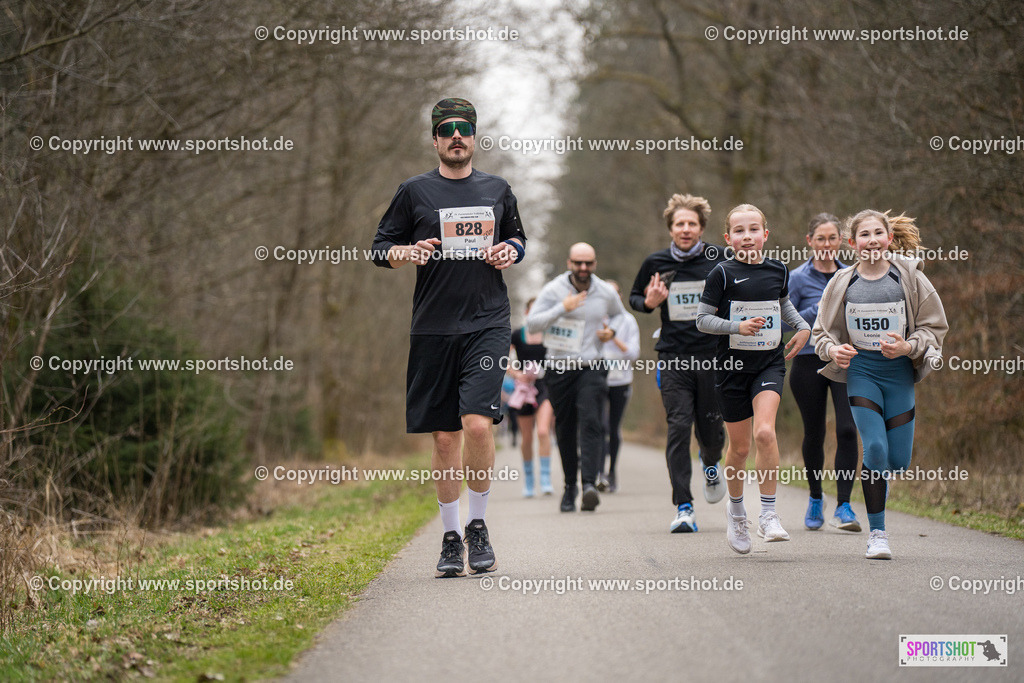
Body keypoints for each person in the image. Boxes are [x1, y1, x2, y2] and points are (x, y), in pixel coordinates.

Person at [371, 97, 526, 578]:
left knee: (477, 425)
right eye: (447, 129)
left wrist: (510, 251)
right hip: (434, 327)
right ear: (435, 139)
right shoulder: (414, 192)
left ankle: (478, 528)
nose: (456, 136)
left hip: (487, 322)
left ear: (474, 137)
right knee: (443, 438)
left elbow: (520, 239)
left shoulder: (497, 189)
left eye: (464, 128)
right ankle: (450, 535)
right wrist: (408, 252)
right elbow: (379, 250)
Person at [813, 210, 947, 560]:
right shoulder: (842, 282)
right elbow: (820, 334)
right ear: (852, 242)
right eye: (864, 235)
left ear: (889, 238)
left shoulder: (911, 279)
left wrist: (908, 346)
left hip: (899, 373)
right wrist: (834, 350)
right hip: (862, 372)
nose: (871, 240)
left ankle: (878, 506)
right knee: (874, 449)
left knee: (898, 461)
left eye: (878, 233)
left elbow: (934, 328)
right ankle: (878, 534)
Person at [696, 204, 811, 554]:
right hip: (731, 369)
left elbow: (783, 305)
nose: (748, 236)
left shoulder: (778, 269)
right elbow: (702, 320)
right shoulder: (722, 274)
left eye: (754, 229)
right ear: (729, 238)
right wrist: (736, 327)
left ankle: (769, 515)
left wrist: (804, 326)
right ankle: (736, 512)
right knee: (740, 448)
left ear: (765, 234)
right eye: (740, 231)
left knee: (765, 432)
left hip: (769, 363)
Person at [630, 193, 727, 533]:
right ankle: (683, 506)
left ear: (701, 228)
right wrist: (648, 301)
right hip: (673, 357)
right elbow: (635, 298)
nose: (686, 229)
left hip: (714, 356)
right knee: (679, 426)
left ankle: (711, 461)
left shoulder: (720, 258)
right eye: (679, 224)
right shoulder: (655, 263)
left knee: (712, 431)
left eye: (692, 224)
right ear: (671, 228)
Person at [527, 243, 627, 513]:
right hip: (559, 368)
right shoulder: (553, 290)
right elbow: (532, 324)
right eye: (578, 263)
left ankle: (590, 484)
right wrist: (562, 307)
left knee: (592, 420)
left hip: (591, 366)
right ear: (569, 263)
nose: (583, 268)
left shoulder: (605, 291)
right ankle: (570, 486)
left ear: (595, 264)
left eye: (589, 263)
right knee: (567, 428)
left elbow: (621, 316)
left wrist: (612, 332)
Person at [787, 213, 861, 532]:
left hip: (845, 360)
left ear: (841, 242)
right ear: (810, 241)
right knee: (814, 433)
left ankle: (844, 505)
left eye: (833, 238)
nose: (827, 244)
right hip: (807, 362)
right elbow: (783, 321)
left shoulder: (853, 276)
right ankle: (816, 497)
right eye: (821, 238)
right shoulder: (795, 278)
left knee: (846, 429)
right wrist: (819, 308)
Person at [508, 298, 555, 497]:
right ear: (527, 313)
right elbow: (502, 360)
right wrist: (517, 374)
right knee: (526, 438)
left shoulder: (551, 334)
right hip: (524, 389)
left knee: (543, 431)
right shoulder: (518, 335)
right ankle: (529, 480)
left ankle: (545, 478)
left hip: (545, 386)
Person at [597, 280, 640, 493]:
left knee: (613, 428)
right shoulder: (594, 317)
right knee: (599, 426)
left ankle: (612, 471)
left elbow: (633, 353)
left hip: (620, 381)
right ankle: (597, 472)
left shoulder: (628, 321)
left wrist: (613, 338)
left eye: (614, 294)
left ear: (620, 297)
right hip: (596, 380)